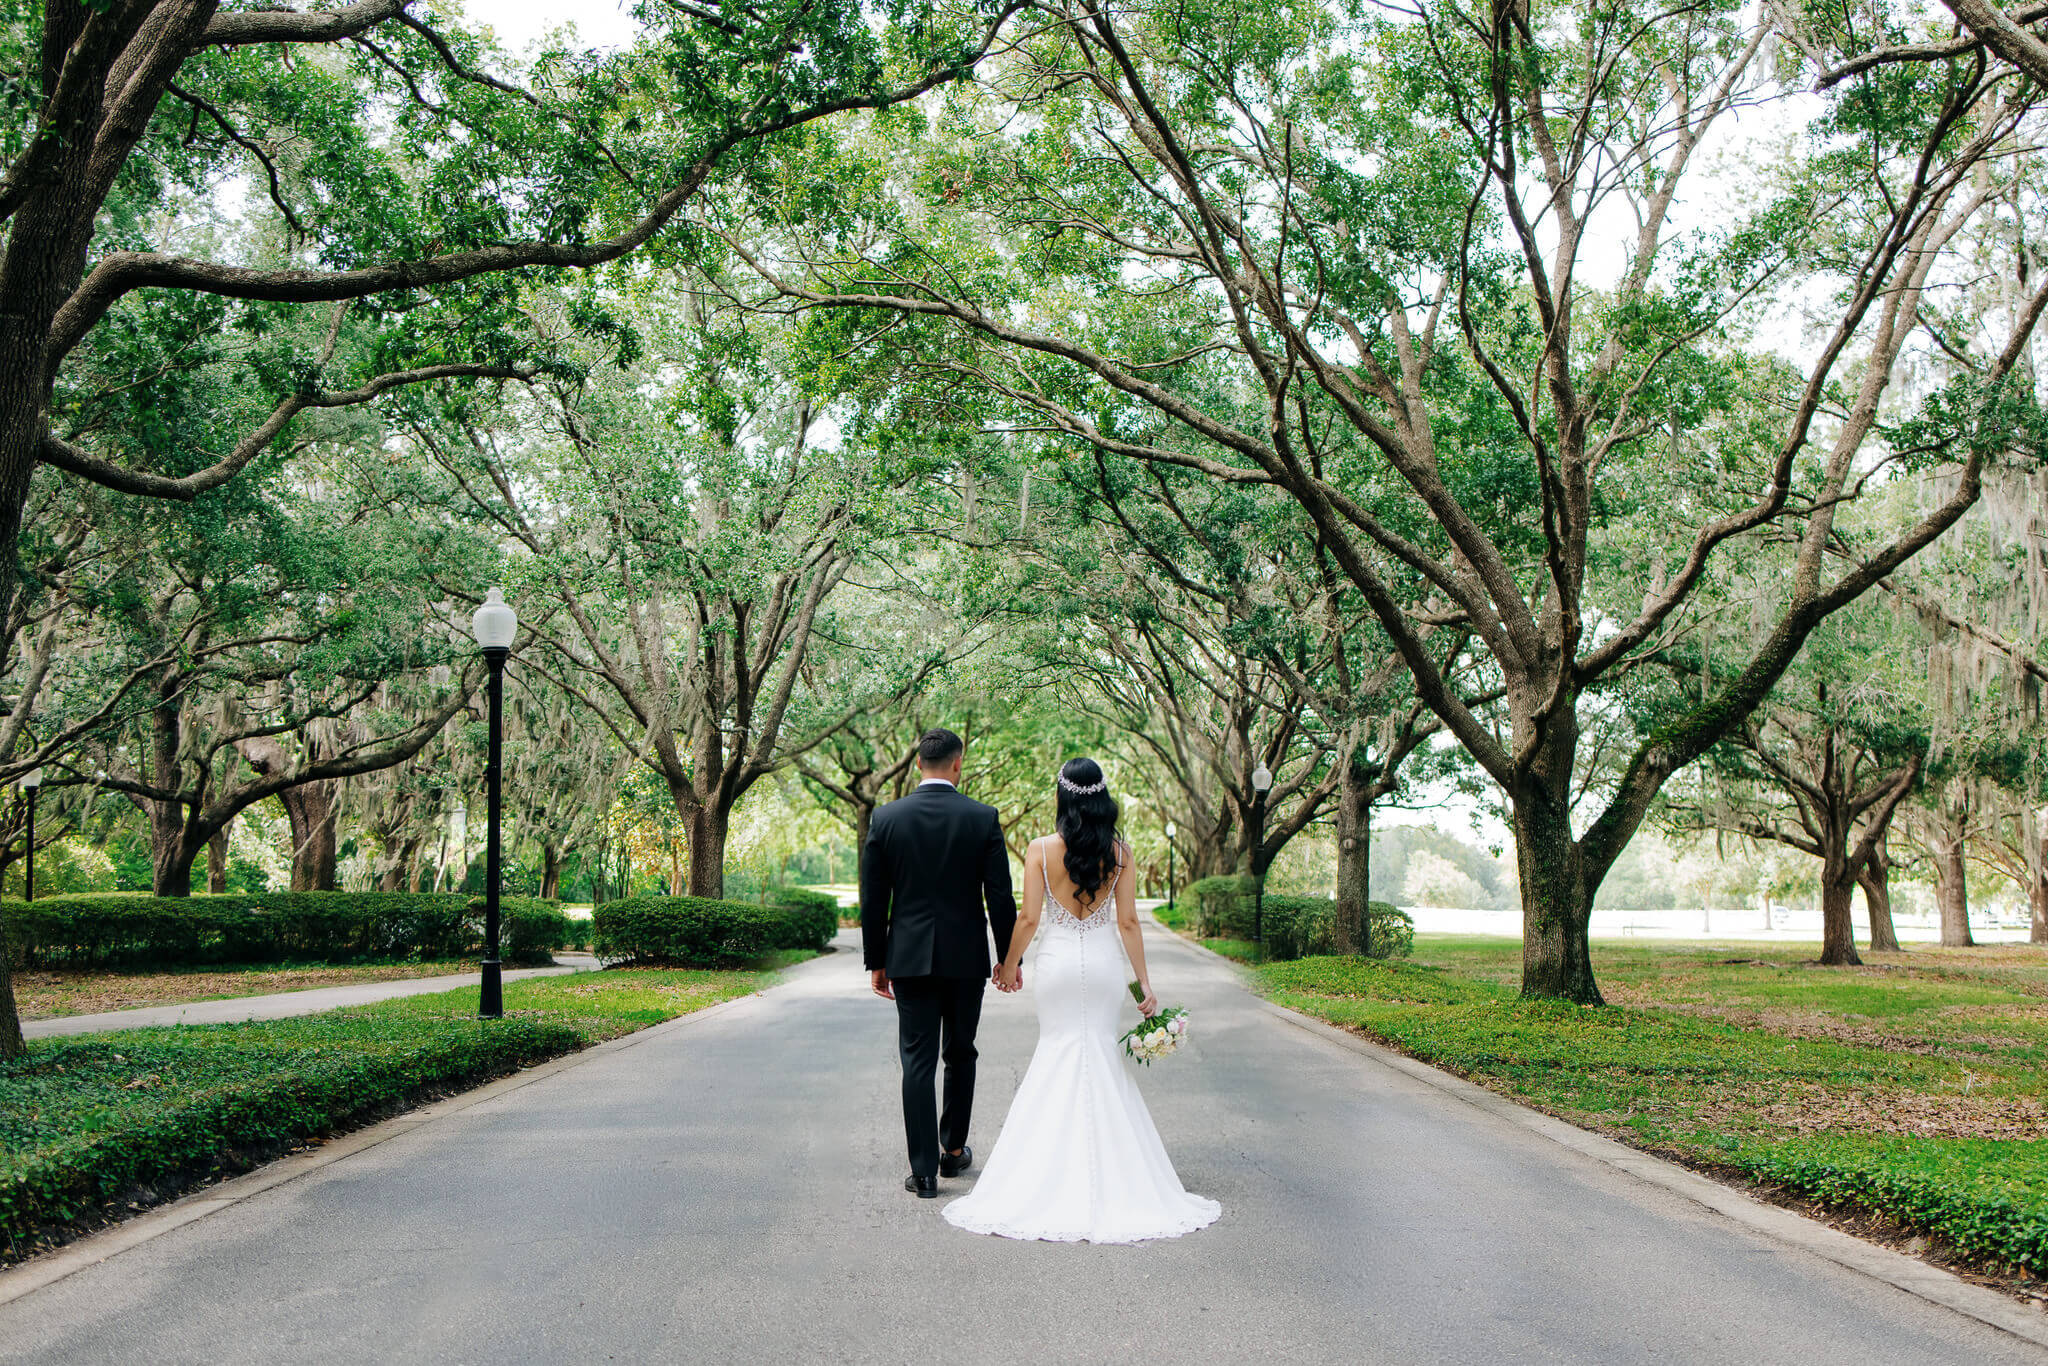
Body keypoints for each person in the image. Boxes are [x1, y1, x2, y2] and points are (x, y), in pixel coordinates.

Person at [940, 757, 1221, 1242]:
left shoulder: (1040, 849)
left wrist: (1008, 966)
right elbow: (1129, 923)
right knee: (1101, 1055)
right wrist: (1143, 986)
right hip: (1106, 965)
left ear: (1063, 797)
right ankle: (1122, 1177)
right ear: (1103, 799)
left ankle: (1043, 1176)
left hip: (1058, 966)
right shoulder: (1121, 852)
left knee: (1057, 1052)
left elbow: (1028, 918)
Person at [861, 727, 1018, 1199]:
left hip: (907, 958)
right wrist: (1009, 959)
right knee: (961, 1052)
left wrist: (876, 960)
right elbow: (1000, 898)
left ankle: (924, 1172)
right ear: (957, 763)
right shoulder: (982, 818)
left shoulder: (886, 818)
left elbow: (874, 899)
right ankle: (953, 1151)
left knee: (917, 1061)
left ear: (917, 765)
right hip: (966, 958)